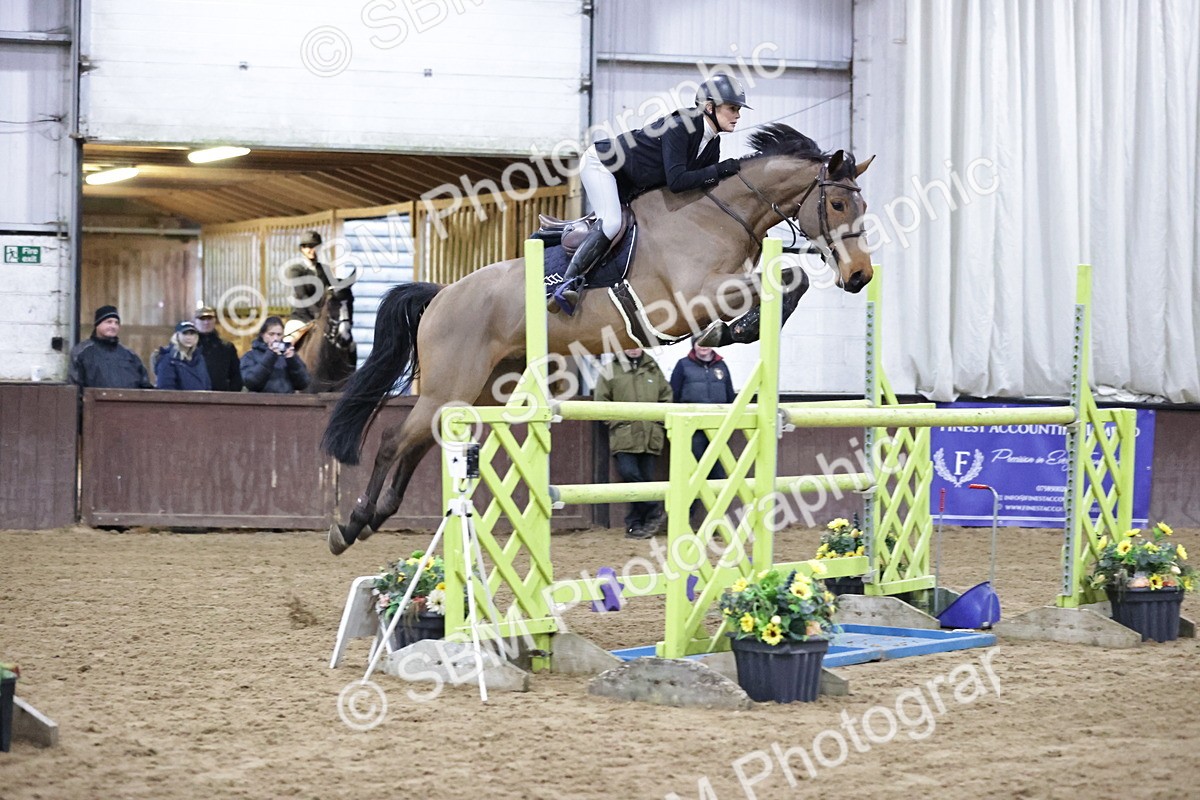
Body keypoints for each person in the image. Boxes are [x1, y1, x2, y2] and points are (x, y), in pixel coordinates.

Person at [549, 73, 750, 312]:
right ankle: (567, 284)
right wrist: (721, 169)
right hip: (602, 166)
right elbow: (677, 181)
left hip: (631, 181)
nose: (738, 115)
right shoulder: (681, 125)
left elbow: (700, 188)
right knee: (612, 223)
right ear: (709, 107)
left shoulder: (712, 142)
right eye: (732, 108)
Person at [593, 348, 672, 539]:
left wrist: (657, 422)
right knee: (630, 474)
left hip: (650, 435)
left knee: (644, 478)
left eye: (637, 345)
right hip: (624, 435)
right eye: (629, 344)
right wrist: (616, 423)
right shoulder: (610, 369)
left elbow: (666, 396)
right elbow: (600, 401)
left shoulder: (653, 368)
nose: (633, 348)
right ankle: (654, 511)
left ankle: (637, 525)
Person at [670, 339, 736, 523]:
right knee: (691, 474)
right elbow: (673, 395)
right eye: (699, 342)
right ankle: (683, 520)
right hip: (693, 431)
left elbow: (730, 396)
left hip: (718, 430)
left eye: (707, 342)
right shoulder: (682, 366)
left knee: (718, 475)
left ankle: (717, 521)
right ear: (693, 345)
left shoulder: (722, 366)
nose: (704, 346)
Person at [283, 230, 353, 342]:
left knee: (345, 340)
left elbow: (334, 289)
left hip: (323, 319)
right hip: (301, 319)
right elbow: (303, 296)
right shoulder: (296, 270)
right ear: (302, 249)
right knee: (288, 344)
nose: (312, 250)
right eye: (308, 247)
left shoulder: (325, 269)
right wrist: (317, 314)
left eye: (315, 246)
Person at [68, 305, 152, 389]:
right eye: (109, 322)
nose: (113, 326)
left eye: (116, 323)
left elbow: (145, 385)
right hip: (94, 401)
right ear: (97, 324)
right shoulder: (82, 352)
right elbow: (75, 388)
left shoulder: (130, 355)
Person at [241, 316, 311, 393]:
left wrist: (293, 361)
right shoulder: (251, 356)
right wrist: (270, 356)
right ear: (262, 334)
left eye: (279, 334)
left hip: (287, 402)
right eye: (271, 334)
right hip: (260, 402)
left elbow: (303, 383)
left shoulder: (289, 354)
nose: (275, 338)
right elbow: (251, 383)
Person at [194, 305, 243, 391]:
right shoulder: (188, 348)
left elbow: (236, 376)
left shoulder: (227, 348)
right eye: (202, 319)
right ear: (195, 321)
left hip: (221, 397)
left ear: (215, 320)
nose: (206, 322)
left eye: (209, 318)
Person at [153, 320, 212, 391]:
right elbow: (166, 389)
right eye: (185, 333)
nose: (188, 337)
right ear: (177, 336)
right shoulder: (168, 360)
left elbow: (207, 384)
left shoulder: (199, 358)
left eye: (192, 334)